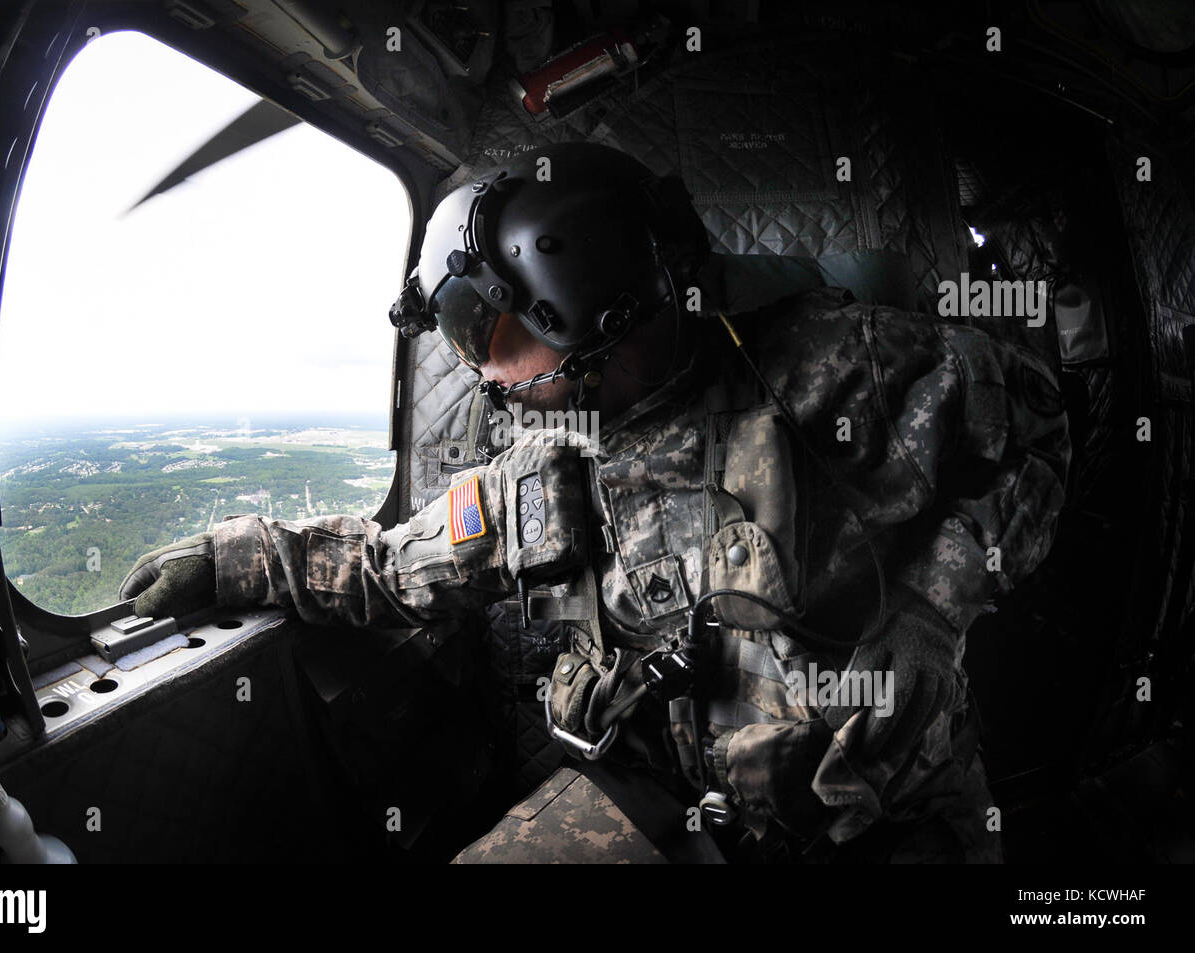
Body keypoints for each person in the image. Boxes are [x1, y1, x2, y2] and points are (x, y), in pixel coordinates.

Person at [120, 142, 1071, 863]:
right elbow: (387, 567)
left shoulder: (841, 365)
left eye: (490, 334)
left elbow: (1031, 425)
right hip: (688, 818)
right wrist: (240, 555)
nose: (484, 376)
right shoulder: (546, 472)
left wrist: (933, 613)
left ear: (573, 299)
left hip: (893, 819)